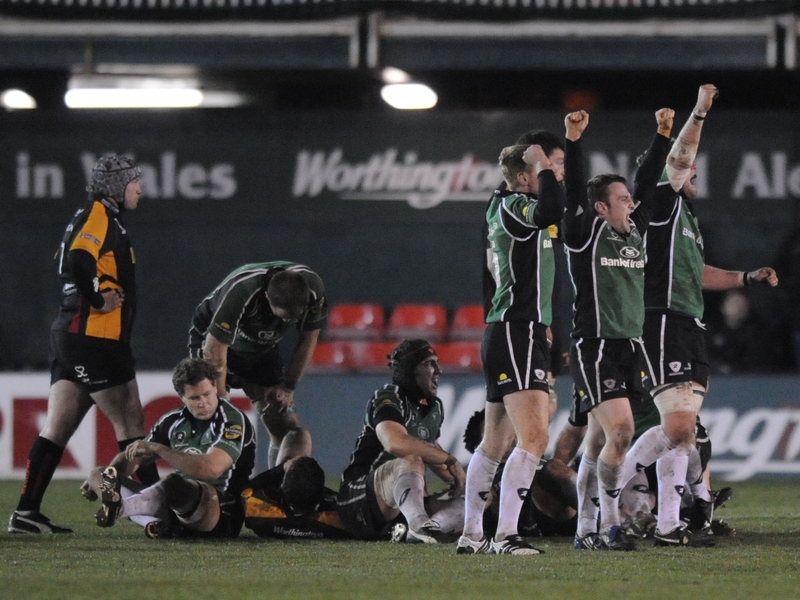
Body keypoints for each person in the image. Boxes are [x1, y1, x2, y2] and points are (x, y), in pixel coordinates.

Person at [620, 84, 778, 546]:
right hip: (661, 318)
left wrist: (745, 278)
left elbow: (698, 275)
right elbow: (682, 152)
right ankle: (605, 497)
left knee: (684, 433)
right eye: (688, 172)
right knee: (680, 427)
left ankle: (671, 524)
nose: (693, 175)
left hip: (688, 322)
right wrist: (700, 112)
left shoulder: (686, 220)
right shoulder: (662, 206)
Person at [8, 155, 160, 534]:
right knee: (131, 423)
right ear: (115, 188)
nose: (139, 189)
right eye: (133, 182)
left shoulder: (94, 217)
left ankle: (26, 514)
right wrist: (96, 300)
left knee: (57, 426)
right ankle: (158, 514)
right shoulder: (98, 215)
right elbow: (76, 260)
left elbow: (72, 260)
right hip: (94, 339)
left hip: (72, 338)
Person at [562, 107, 673, 551]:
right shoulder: (586, 232)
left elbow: (646, 183)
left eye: (630, 198)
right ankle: (609, 525)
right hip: (596, 346)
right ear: (601, 207)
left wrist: (662, 135)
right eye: (621, 199)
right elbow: (573, 189)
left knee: (596, 439)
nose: (631, 203)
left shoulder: (633, 232)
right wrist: (573, 141)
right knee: (621, 431)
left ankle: (583, 530)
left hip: (631, 346)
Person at [459, 135, 566, 556]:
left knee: (495, 444)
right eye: (546, 167)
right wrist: (542, 163)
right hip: (516, 330)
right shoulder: (514, 207)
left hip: (517, 330)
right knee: (534, 439)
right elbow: (551, 209)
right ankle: (506, 535)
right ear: (525, 176)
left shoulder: (511, 207)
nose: (554, 173)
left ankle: (471, 534)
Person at [81, 357, 255, 539]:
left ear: (215, 387)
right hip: (176, 507)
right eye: (195, 397)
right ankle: (154, 524)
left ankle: (122, 508)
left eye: (207, 394)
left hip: (220, 515)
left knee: (173, 483)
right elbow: (135, 458)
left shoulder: (232, 420)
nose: (203, 403)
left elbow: (210, 469)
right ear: (181, 397)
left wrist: (160, 450)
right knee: (98, 474)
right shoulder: (172, 421)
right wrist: (107, 478)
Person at [188, 261, 328, 468]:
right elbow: (214, 349)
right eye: (279, 316)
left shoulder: (314, 290)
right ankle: (207, 489)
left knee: (285, 423)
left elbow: (308, 339)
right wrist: (221, 398)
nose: (286, 323)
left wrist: (288, 386)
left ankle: (276, 490)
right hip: (213, 343)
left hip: (262, 349)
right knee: (213, 420)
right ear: (267, 298)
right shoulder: (242, 291)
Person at [337, 339, 466, 542]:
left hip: (399, 508)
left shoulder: (434, 407)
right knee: (410, 459)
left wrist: (466, 483)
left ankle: (429, 530)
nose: (438, 370)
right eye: (429, 363)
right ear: (410, 370)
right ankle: (419, 526)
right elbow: (395, 443)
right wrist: (450, 459)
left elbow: (432, 452)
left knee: (478, 496)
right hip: (358, 502)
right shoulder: (388, 397)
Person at [462, 409, 578, 539]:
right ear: (481, 444)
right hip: (503, 525)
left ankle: (595, 519)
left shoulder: (541, 465)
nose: (511, 437)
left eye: (514, 430)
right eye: (500, 432)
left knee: (553, 469)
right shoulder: (474, 473)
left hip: (557, 519)